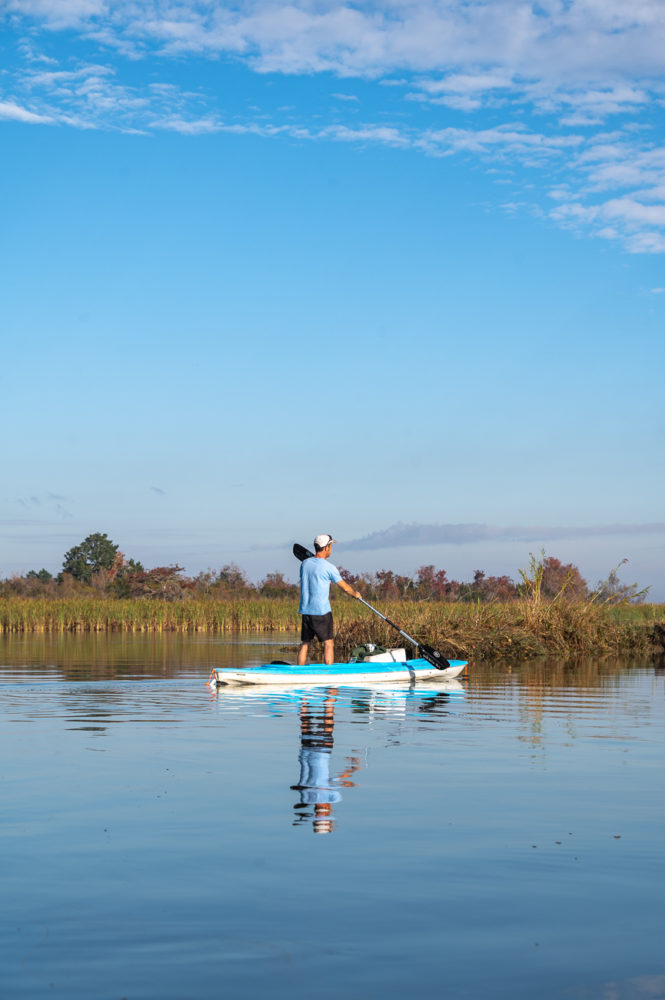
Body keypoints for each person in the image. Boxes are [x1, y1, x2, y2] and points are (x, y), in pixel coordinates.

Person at [297, 533, 361, 666]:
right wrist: (355, 594)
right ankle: (329, 672)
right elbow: (345, 588)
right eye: (331, 546)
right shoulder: (329, 567)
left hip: (306, 611)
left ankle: (299, 670)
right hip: (321, 611)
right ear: (326, 548)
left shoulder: (304, 564)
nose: (331, 548)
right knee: (328, 643)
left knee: (306, 643)